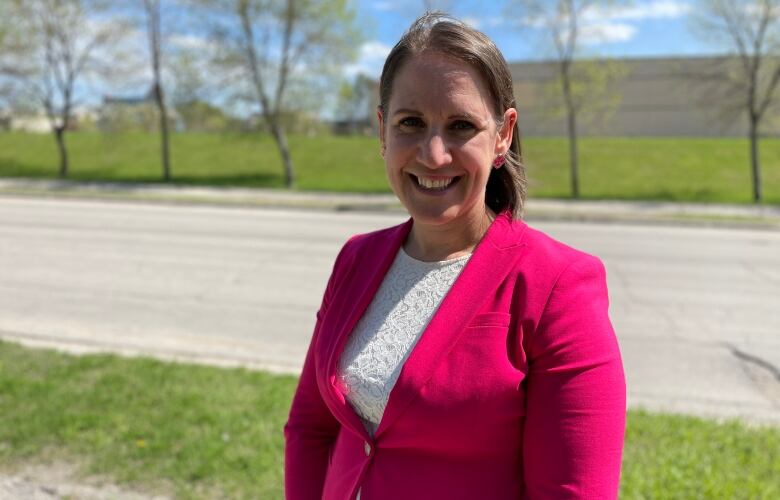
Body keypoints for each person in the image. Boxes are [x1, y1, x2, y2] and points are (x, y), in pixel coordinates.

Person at [284, 12, 625, 500]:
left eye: (461, 125)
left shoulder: (558, 285)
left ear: (502, 135)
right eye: (411, 123)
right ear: (383, 130)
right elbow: (310, 428)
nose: (434, 153)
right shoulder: (356, 259)